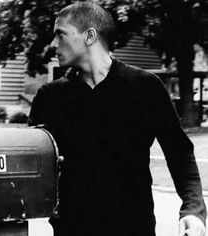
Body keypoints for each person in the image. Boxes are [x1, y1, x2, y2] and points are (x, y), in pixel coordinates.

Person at [28, 1, 207, 236]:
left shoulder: (145, 88)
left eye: (60, 34)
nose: (53, 44)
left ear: (89, 36)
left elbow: (179, 152)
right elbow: (33, 166)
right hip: (72, 229)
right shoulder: (50, 98)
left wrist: (193, 211)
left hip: (134, 228)